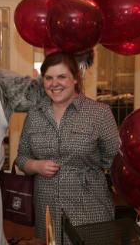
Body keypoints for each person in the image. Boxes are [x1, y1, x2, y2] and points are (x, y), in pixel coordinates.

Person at [15, 52, 120, 245]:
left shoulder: (99, 113)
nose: (54, 84)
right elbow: (21, 157)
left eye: (61, 77)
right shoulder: (34, 115)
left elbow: (115, 160)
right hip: (47, 207)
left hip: (89, 206)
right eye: (49, 78)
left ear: (75, 79)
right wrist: (36, 166)